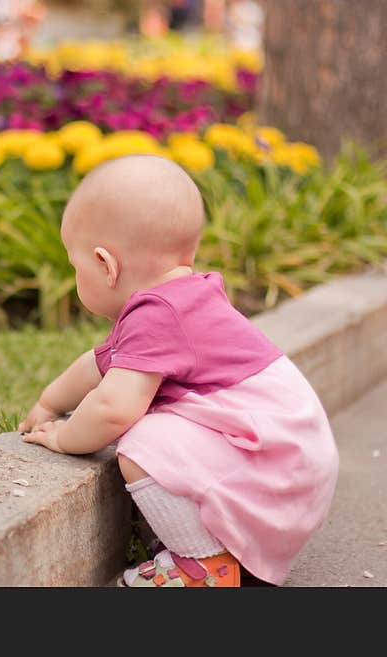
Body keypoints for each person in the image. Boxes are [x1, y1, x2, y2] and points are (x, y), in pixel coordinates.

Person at [18, 155, 339, 588]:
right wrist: (49, 402)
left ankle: (205, 566)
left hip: (277, 467)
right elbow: (97, 366)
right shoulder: (179, 302)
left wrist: (63, 437)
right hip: (291, 464)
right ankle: (219, 553)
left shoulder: (157, 316)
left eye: (75, 267)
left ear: (105, 265)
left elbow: (113, 407)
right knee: (156, 428)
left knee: (144, 442)